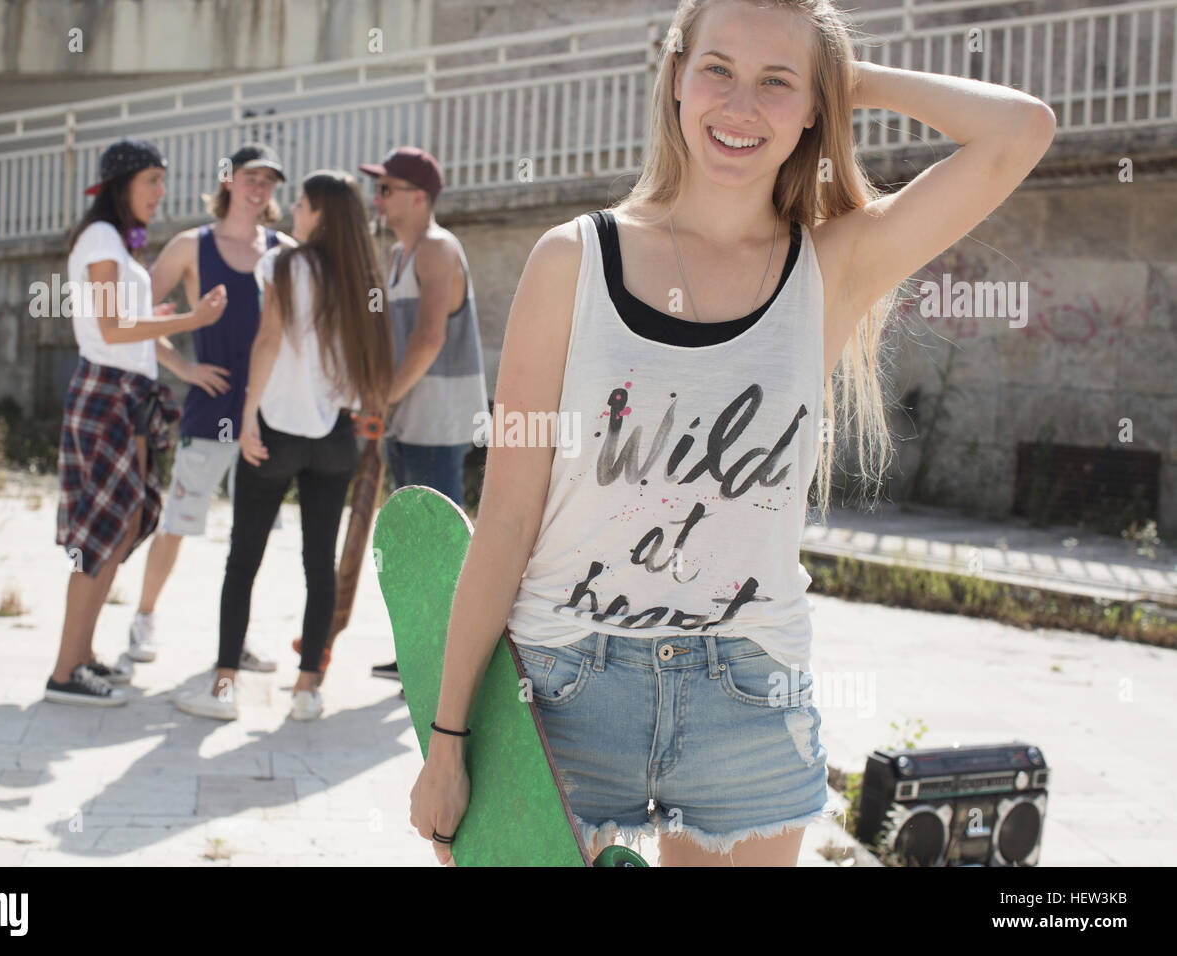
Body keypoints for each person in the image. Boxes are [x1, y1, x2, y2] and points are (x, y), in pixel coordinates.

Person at [407, 0, 1055, 865]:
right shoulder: (573, 263)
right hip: (565, 681)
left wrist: (845, 77)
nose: (741, 105)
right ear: (675, 77)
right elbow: (508, 518)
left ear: (814, 107)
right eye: (718, 69)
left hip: (747, 689)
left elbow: (1020, 131)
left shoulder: (832, 266)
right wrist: (449, 739)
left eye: (776, 83)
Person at [172, 170, 394, 722]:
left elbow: (268, 340)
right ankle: (306, 689)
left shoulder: (283, 263)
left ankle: (224, 686)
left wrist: (246, 415)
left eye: (301, 203)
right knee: (319, 564)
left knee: (243, 558)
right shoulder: (362, 274)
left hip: (275, 432)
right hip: (336, 437)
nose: (292, 211)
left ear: (320, 212)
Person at [48, 137, 228, 706]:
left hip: (127, 394)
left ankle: (81, 656)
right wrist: (194, 318)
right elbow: (113, 330)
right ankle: (63, 672)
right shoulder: (102, 238)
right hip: (106, 395)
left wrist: (182, 363)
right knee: (101, 535)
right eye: (152, 178)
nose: (161, 191)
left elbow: (134, 329)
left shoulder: (122, 245)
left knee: (121, 527)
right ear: (122, 182)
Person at [125, 142, 296, 671]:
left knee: (251, 535)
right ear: (229, 180)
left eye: (269, 179)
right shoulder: (190, 246)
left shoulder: (284, 251)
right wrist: (183, 368)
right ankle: (143, 619)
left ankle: (235, 639)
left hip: (266, 418)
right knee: (178, 520)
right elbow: (133, 319)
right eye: (251, 176)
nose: (260, 187)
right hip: (210, 411)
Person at [358, 146, 488, 681]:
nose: (377, 198)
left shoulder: (436, 248)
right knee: (411, 539)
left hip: (435, 417)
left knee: (438, 541)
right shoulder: (398, 256)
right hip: (409, 416)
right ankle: (418, 652)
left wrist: (383, 397)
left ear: (418, 197)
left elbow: (430, 336)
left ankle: (444, 664)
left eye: (386, 189)